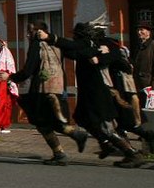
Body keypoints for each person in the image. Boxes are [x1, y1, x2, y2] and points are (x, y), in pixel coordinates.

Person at [42, 22, 145, 168]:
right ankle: (105, 143)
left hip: (97, 92)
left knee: (106, 127)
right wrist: (55, 46)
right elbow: (71, 51)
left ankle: (132, 153)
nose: (74, 37)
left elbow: (72, 47)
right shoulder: (89, 47)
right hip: (87, 92)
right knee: (81, 117)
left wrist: (50, 38)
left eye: (75, 34)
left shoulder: (87, 44)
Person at [0, 21, 88, 165]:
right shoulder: (57, 44)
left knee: (42, 122)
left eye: (30, 31)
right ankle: (73, 138)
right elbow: (76, 52)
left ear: (39, 32)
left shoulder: (36, 45)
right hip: (59, 90)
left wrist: (9, 77)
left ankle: (63, 149)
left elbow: (28, 70)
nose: (28, 34)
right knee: (56, 121)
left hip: (42, 91)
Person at [133, 21, 154, 110]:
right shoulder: (139, 46)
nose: (139, 32)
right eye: (138, 30)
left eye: (141, 30)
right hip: (138, 84)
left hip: (149, 85)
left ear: (149, 32)